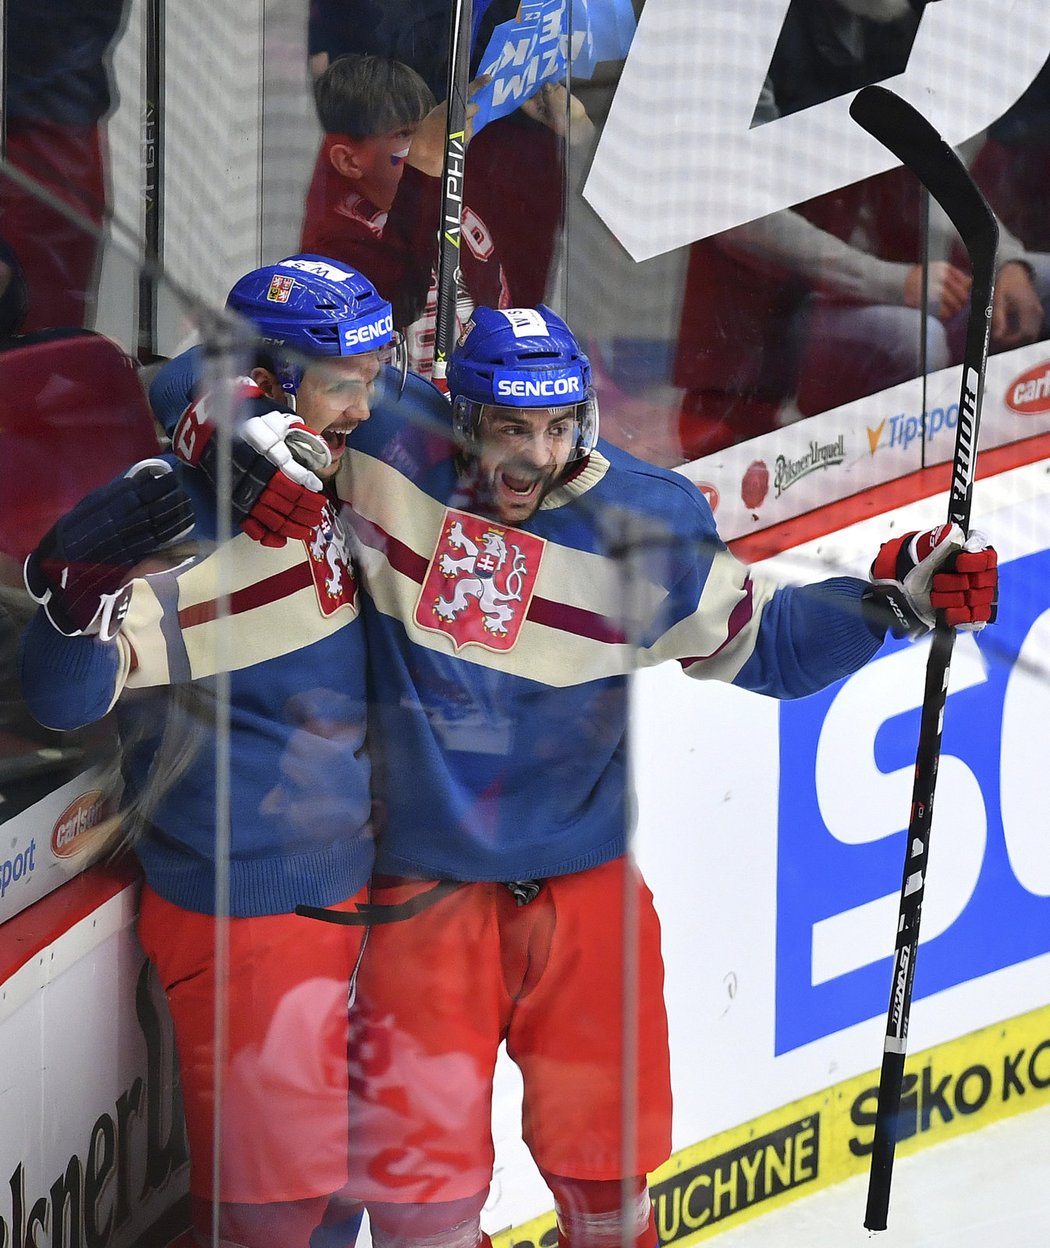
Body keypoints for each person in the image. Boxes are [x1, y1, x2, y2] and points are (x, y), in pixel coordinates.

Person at [149, 299, 998, 1248]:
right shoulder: (387, 443)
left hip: (585, 895)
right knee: (419, 1212)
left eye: (558, 429)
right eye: (511, 428)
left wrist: (892, 601)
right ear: (459, 415)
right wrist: (232, 420)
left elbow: (768, 646)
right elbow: (213, 367)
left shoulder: (647, 522)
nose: (535, 457)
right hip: (424, 902)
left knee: (612, 1203)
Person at [17, 255, 407, 1248]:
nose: (371, 401)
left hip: (353, 894)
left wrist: (213, 396)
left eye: (376, 370)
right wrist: (73, 600)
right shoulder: (176, 530)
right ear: (272, 383)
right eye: (347, 380)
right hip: (254, 924)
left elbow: (178, 375)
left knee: (344, 1196)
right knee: (275, 1222)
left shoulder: (335, 461)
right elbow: (67, 699)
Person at [300, 54, 572, 378]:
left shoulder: (459, 204)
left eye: (432, 128)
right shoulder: (338, 242)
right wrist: (424, 162)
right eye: (406, 134)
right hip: (404, 418)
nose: (432, 141)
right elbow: (401, 298)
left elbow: (539, 248)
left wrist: (568, 132)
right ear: (349, 161)